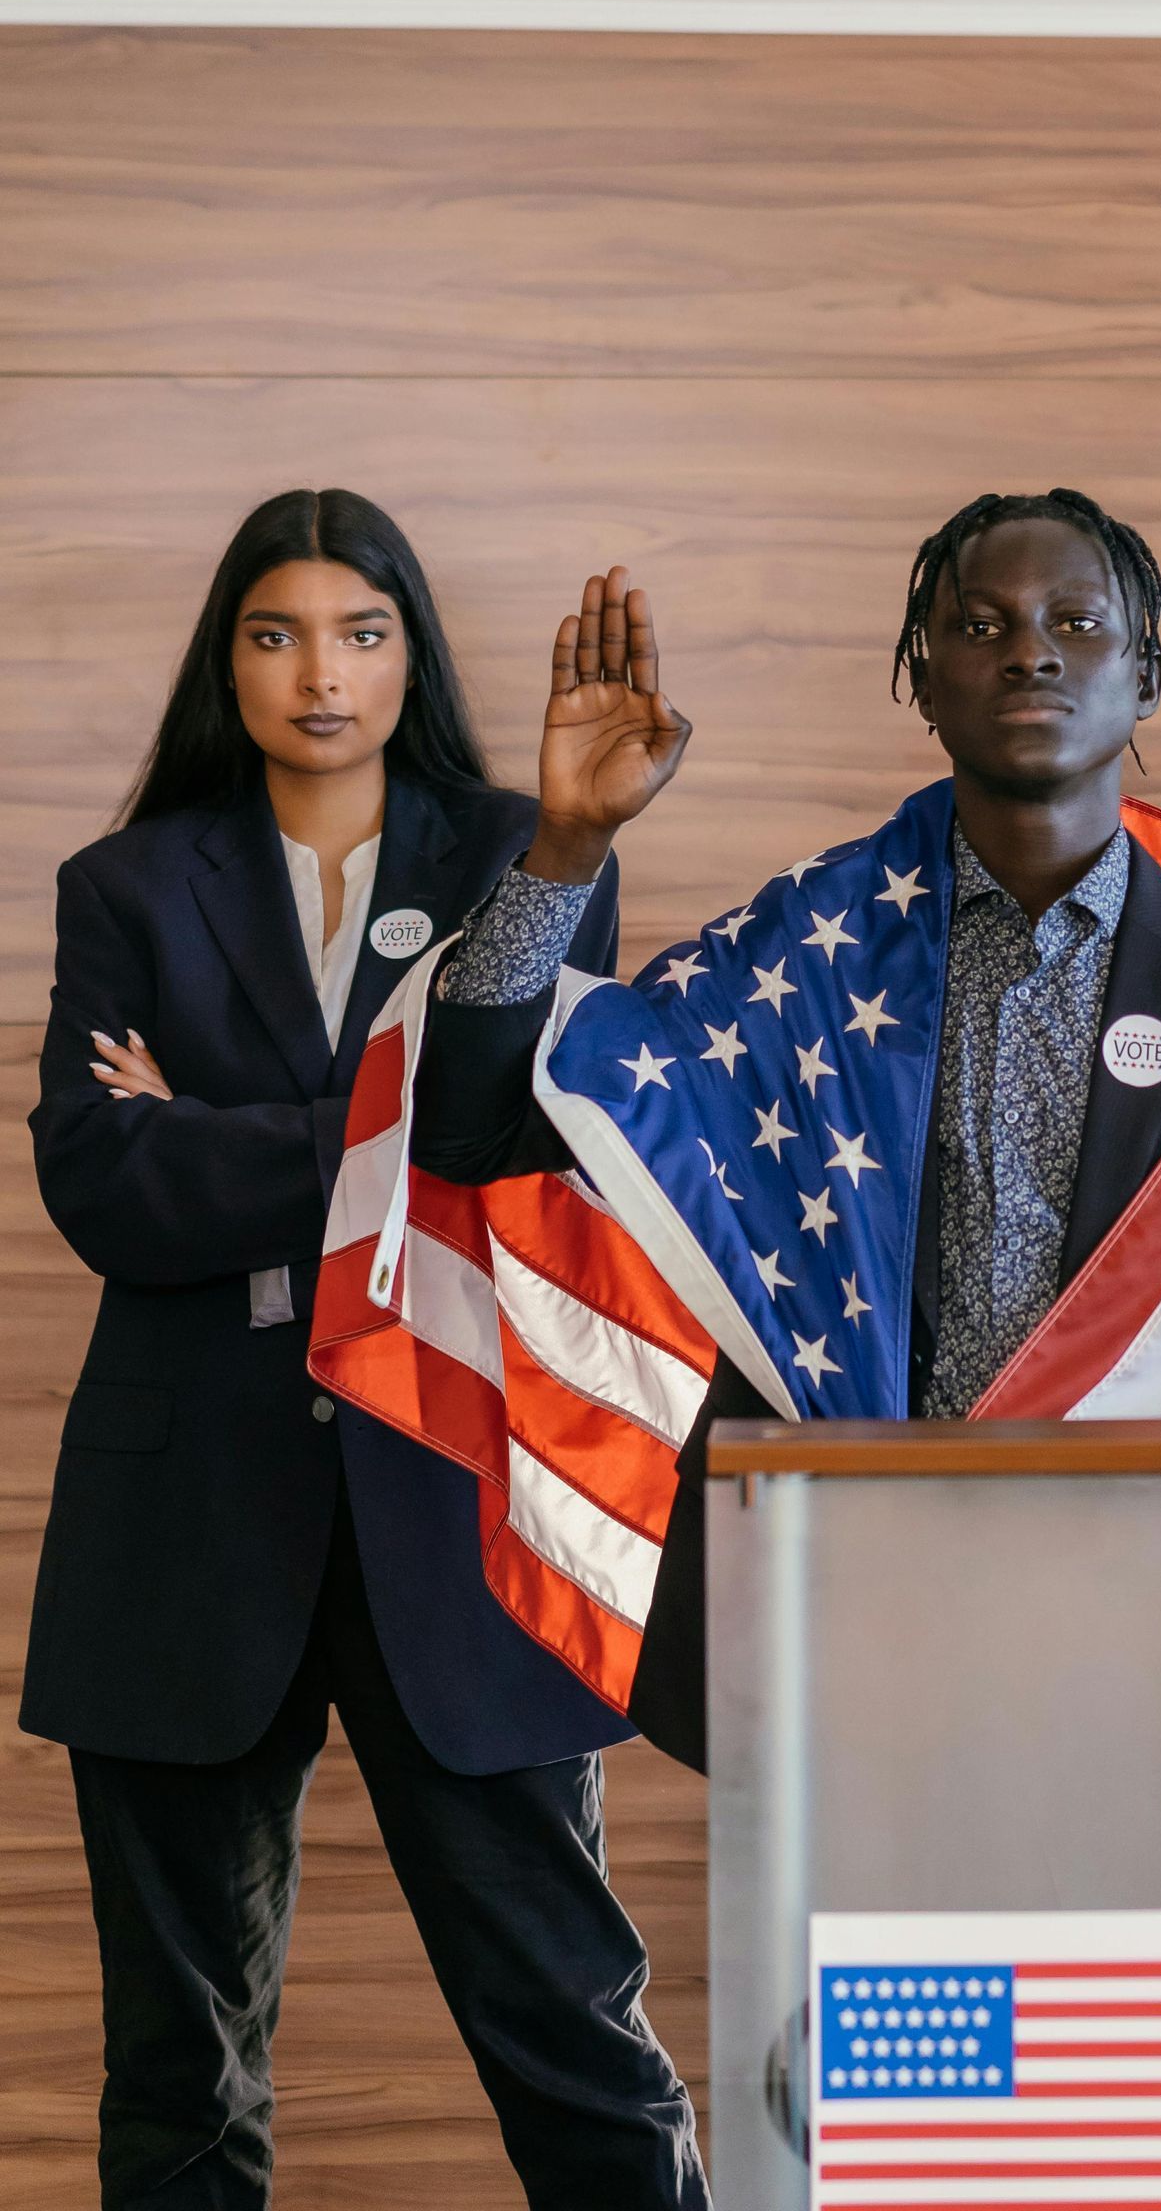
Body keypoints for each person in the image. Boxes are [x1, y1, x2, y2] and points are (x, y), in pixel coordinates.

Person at [25, 488, 707, 2211]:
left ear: (410, 649)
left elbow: (500, 1141)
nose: (318, 672)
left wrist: (230, 1131)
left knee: (575, 2039)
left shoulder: (525, 853)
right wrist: (370, 1139)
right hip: (189, 1514)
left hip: (455, 1497)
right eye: (275, 633)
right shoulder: (123, 883)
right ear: (225, 659)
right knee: (180, 2072)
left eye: (359, 630)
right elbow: (106, 1187)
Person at [407, 491, 1161, 1759]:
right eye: (982, 625)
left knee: (1111, 1960)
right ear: (922, 683)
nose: (1032, 651)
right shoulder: (807, 955)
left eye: (1077, 622)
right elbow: (465, 1130)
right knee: (885, 1964)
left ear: (1145, 672)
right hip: (869, 1588)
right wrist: (569, 844)